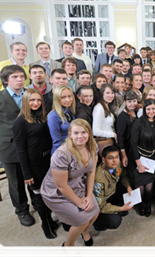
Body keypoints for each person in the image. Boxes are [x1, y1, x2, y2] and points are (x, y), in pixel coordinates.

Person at [40, 119, 99, 257]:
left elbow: (91, 173)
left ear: (89, 133)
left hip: (78, 184)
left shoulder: (92, 146)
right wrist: (80, 203)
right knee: (81, 219)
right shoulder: (61, 154)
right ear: (70, 134)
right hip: (56, 191)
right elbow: (61, 185)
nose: (80, 136)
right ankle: (68, 246)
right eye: (76, 133)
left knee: (95, 212)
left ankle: (85, 231)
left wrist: (89, 196)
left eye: (84, 132)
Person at [13, 88, 57, 238]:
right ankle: (46, 224)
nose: (36, 103)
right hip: (34, 165)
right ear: (25, 101)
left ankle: (50, 219)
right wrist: (27, 174)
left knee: (50, 193)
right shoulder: (20, 122)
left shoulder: (41, 116)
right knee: (39, 198)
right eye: (32, 100)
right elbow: (20, 150)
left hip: (47, 161)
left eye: (38, 100)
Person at [0, 65, 35, 226]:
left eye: (21, 76)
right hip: (10, 146)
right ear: (6, 80)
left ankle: (37, 203)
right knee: (16, 182)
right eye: (14, 77)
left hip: (31, 145)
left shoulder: (31, 94)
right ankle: (22, 211)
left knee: (33, 177)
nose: (19, 79)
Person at [130, 99, 155, 217]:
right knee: (140, 188)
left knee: (149, 187)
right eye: (148, 109)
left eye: (153, 108)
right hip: (138, 157)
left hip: (151, 158)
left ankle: (148, 204)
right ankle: (142, 205)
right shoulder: (138, 123)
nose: (151, 111)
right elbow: (133, 143)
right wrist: (138, 163)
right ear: (144, 110)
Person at [93, 146, 133, 231]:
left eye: (117, 157)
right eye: (110, 158)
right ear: (103, 160)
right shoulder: (99, 179)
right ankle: (97, 224)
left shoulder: (117, 164)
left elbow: (123, 176)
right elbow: (100, 206)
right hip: (99, 205)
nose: (115, 161)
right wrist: (120, 209)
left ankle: (116, 206)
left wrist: (128, 187)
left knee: (126, 189)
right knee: (115, 221)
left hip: (110, 192)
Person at [48, 85, 76, 155]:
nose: (68, 100)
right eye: (63, 97)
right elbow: (57, 141)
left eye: (69, 96)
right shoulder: (53, 115)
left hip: (73, 151)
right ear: (57, 99)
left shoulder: (69, 111)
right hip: (61, 153)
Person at [92, 84, 118, 157]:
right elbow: (95, 131)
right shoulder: (99, 108)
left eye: (112, 93)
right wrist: (113, 134)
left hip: (109, 142)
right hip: (104, 143)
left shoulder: (107, 106)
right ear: (102, 93)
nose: (110, 95)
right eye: (107, 93)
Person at [117, 90, 138, 170]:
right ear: (125, 102)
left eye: (134, 101)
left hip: (135, 148)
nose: (132, 104)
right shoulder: (122, 117)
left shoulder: (136, 112)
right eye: (129, 101)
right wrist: (124, 155)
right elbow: (120, 137)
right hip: (128, 149)